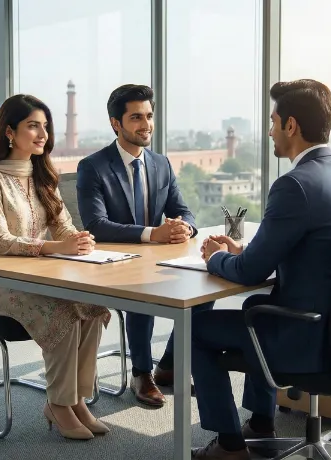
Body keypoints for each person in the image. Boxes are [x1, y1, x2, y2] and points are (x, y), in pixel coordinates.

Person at [191, 79, 331, 459]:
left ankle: (229, 446)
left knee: (195, 330)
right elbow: (310, 248)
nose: (270, 130)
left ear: (291, 125)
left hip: (306, 337)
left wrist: (215, 259)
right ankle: (260, 422)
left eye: (272, 121)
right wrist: (245, 249)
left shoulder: (295, 185)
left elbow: (252, 272)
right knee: (251, 310)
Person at [0, 94, 112, 441]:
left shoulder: (42, 176)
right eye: (33, 126)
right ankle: (58, 404)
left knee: (91, 306)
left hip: (35, 277)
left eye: (45, 126)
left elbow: (64, 226)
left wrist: (80, 240)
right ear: (9, 132)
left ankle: (76, 400)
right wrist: (58, 247)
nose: (42, 134)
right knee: (63, 310)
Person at [76, 84, 214, 407]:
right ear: (116, 123)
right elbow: (96, 225)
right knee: (142, 291)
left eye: (149, 116)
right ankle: (141, 373)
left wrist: (184, 227)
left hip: (158, 260)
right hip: (114, 266)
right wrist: (153, 234)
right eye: (136, 117)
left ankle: (167, 366)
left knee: (205, 290)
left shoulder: (160, 164)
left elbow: (184, 210)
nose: (146, 124)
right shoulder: (93, 167)